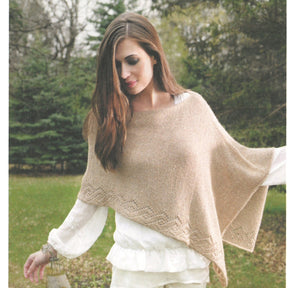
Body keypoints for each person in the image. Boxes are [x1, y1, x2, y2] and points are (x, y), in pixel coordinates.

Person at [24, 12, 286, 288]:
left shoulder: (192, 108)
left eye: (132, 60)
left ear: (154, 55)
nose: (124, 74)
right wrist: (52, 249)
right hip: (133, 265)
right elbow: (92, 195)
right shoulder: (108, 121)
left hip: (188, 263)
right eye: (115, 66)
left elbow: (242, 162)